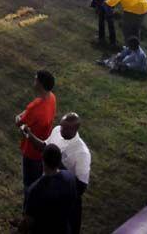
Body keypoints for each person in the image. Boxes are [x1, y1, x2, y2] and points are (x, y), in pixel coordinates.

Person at [21, 112, 91, 233]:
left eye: (65, 128)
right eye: (61, 125)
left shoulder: (82, 153)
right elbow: (45, 147)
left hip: (65, 196)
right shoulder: (58, 131)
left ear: (75, 129)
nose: (61, 129)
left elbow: (81, 186)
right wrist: (30, 135)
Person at [15, 69, 57, 197]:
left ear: (40, 84)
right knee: (38, 180)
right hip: (43, 147)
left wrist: (19, 117)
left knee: (29, 184)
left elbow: (19, 121)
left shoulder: (35, 107)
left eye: (35, 79)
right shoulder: (52, 97)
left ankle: (27, 210)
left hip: (31, 152)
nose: (34, 81)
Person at [22, 143, 78, 234]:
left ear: (43, 160)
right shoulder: (70, 177)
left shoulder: (35, 189)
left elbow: (28, 221)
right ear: (59, 160)